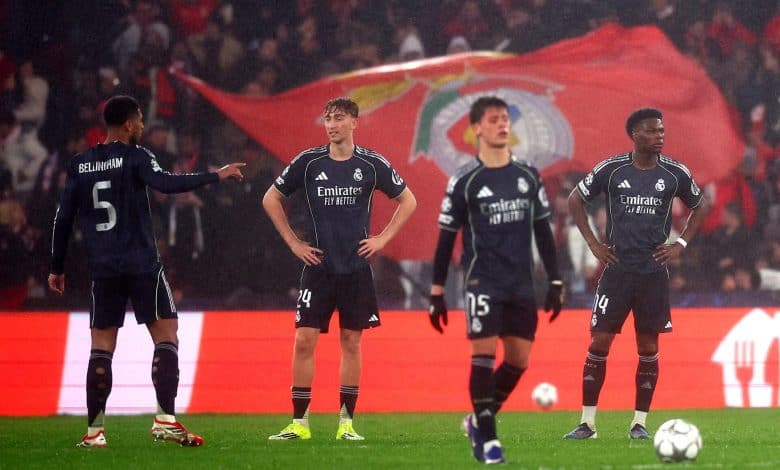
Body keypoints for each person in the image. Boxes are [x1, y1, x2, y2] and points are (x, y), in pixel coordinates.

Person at [48, 95, 245, 448]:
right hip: (141, 263)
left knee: (101, 347)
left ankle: (94, 433)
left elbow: (63, 220)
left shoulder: (79, 164)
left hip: (104, 268)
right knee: (166, 335)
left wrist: (56, 267)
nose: (141, 126)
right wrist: (216, 176)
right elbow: (166, 185)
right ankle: (165, 422)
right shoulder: (137, 156)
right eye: (139, 121)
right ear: (127, 124)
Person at [263, 97, 416, 441]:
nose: (331, 124)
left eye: (339, 118)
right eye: (328, 118)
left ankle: (346, 424)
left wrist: (381, 239)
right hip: (317, 266)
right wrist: (294, 243)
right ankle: (299, 424)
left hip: (355, 268)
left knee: (351, 341)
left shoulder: (371, 163)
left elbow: (409, 200)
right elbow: (270, 198)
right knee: (304, 340)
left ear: (354, 123)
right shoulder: (309, 161)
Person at [427, 96, 564, 464]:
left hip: (521, 284)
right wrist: (437, 290)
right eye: (494, 119)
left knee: (519, 360)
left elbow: (542, 230)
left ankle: (477, 420)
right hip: (482, 282)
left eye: (506, 119)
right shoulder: (464, 182)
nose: (503, 125)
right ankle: (488, 441)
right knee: (484, 356)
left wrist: (554, 281)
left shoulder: (527, 176)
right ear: (477, 129)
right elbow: (445, 236)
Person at [564, 107, 709, 440]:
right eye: (653, 131)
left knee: (647, 346)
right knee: (599, 341)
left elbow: (702, 204)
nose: (660, 136)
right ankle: (587, 423)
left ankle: (639, 423)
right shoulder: (612, 169)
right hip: (617, 270)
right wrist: (593, 244)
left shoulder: (674, 173)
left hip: (652, 272)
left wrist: (681, 243)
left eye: (662, 131)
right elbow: (575, 200)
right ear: (635, 134)